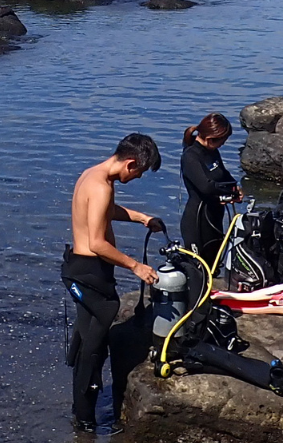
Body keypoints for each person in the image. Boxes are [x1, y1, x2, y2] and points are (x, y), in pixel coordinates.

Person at [64, 133, 166, 433]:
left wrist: (141, 218)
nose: (136, 178)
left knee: (86, 340)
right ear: (131, 163)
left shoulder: (92, 175)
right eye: (139, 172)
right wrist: (136, 266)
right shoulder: (101, 187)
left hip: (79, 268)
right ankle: (86, 423)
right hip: (90, 271)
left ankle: (78, 410)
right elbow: (97, 242)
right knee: (94, 350)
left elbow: (103, 212)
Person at [178, 113, 242, 256]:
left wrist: (235, 188)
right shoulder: (190, 156)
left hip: (214, 218)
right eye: (222, 140)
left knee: (215, 264)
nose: (224, 144)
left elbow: (223, 174)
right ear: (209, 139)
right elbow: (206, 187)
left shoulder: (213, 152)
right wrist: (229, 192)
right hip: (197, 221)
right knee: (199, 268)